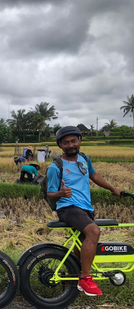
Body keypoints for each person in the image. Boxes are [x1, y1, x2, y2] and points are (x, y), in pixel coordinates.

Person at [46, 126, 122, 297]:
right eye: (66, 142)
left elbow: (94, 176)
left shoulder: (84, 159)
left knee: (81, 243)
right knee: (93, 231)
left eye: (74, 141)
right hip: (67, 208)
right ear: (60, 145)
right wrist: (61, 193)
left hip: (85, 208)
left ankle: (74, 274)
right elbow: (50, 195)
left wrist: (113, 189)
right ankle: (85, 278)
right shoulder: (55, 167)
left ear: (80, 141)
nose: (70, 145)